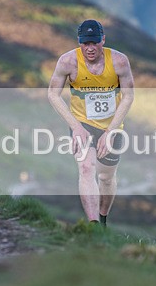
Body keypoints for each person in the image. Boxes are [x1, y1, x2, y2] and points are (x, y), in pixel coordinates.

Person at [47, 19, 134, 226]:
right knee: (86, 168)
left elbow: (129, 96)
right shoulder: (68, 62)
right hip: (82, 123)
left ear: (103, 40)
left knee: (105, 178)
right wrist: (75, 127)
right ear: (79, 43)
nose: (90, 48)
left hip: (112, 126)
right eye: (85, 43)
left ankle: (103, 218)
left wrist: (110, 131)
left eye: (94, 42)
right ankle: (93, 225)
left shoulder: (119, 62)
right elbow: (52, 94)